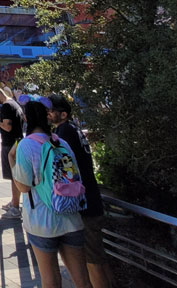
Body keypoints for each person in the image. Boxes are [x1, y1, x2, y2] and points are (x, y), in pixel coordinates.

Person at [9, 99, 91, 288]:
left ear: (27, 119)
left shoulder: (25, 145)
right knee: (83, 281)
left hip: (42, 221)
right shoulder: (61, 142)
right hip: (71, 216)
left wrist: (11, 160)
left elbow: (23, 187)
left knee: (51, 280)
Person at [48, 93, 114, 288]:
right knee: (97, 257)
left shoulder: (64, 132)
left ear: (63, 114)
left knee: (93, 259)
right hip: (91, 199)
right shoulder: (73, 129)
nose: (48, 114)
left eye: (52, 111)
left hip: (85, 205)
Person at [0, 86, 25, 218]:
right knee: (15, 174)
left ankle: (15, 208)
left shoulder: (6, 106)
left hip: (10, 144)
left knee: (13, 176)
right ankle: (14, 201)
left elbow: (8, 127)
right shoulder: (15, 103)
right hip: (17, 142)